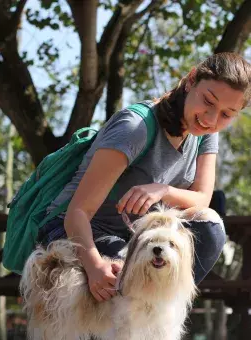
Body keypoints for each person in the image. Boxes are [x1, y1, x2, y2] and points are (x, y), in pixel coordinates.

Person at [37, 52, 251, 302]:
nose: (211, 119)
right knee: (132, 278)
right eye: (208, 101)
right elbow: (78, 213)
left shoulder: (205, 132)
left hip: (137, 239)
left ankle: (158, 316)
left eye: (226, 114)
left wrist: (163, 190)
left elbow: (202, 199)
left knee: (210, 228)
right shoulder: (134, 127)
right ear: (192, 79)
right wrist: (95, 266)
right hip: (75, 230)